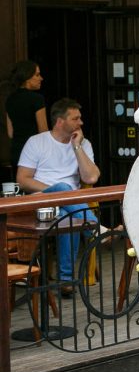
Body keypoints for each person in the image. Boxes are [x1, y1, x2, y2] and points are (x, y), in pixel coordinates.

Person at [17, 98, 100, 289]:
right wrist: (54, 191)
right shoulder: (36, 142)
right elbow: (23, 179)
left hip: (69, 205)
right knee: (63, 188)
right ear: (60, 121)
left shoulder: (83, 144)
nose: (81, 123)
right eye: (76, 118)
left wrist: (76, 147)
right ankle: (95, 229)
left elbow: (91, 178)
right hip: (42, 201)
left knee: (68, 217)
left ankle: (66, 280)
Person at [5, 60, 47, 169]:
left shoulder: (9, 100)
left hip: (16, 152)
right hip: (34, 153)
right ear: (27, 77)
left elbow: (10, 133)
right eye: (37, 75)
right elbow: (43, 131)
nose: (41, 78)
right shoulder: (37, 99)